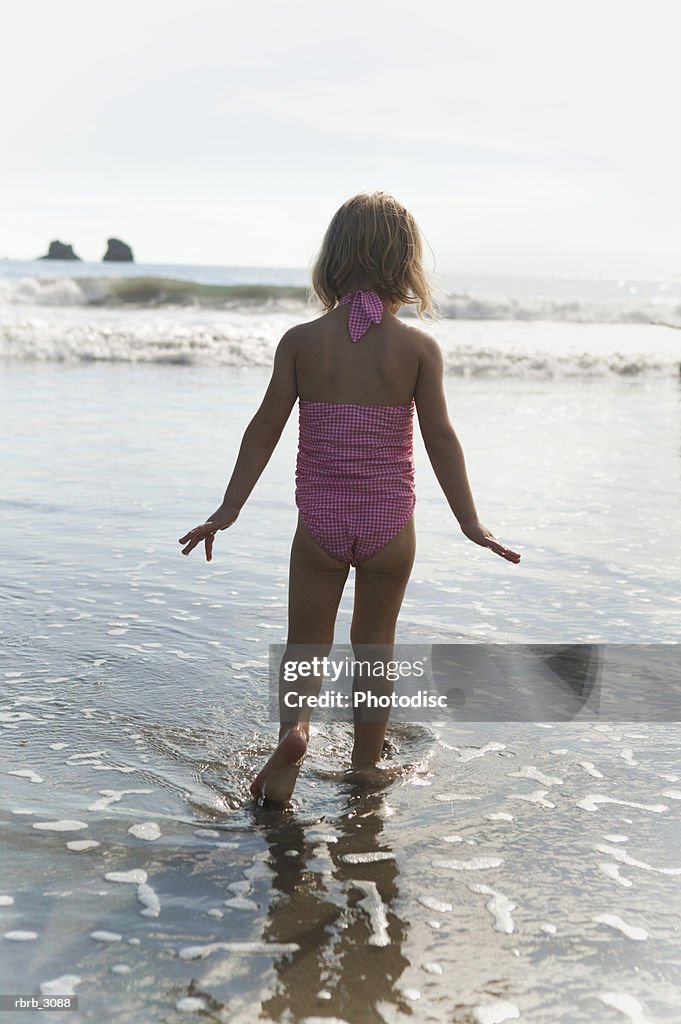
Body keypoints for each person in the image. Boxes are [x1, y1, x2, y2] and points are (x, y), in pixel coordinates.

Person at [179, 192, 520, 803]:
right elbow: (440, 437)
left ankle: (296, 736)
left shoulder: (303, 342)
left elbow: (265, 427)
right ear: (406, 265)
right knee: (375, 647)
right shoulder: (417, 349)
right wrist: (471, 523)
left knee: (305, 644)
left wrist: (227, 510)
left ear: (333, 260)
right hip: (391, 526)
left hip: (321, 526)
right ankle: (366, 766)